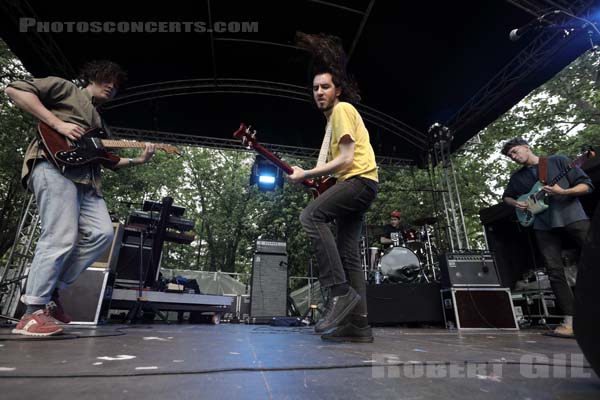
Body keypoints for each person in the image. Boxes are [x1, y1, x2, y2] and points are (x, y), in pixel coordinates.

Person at [5, 60, 156, 336]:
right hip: (53, 167)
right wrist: (58, 124)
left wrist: (139, 159)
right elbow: (15, 90)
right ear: (91, 77)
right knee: (60, 235)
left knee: (101, 234)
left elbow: (110, 160)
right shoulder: (65, 88)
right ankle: (31, 313)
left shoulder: (99, 123)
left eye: (117, 84)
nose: (112, 86)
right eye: (106, 79)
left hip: (87, 181)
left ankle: (52, 292)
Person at [289, 33, 378, 343]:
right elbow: (332, 171)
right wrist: (312, 181)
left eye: (325, 86)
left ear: (337, 90)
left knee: (310, 218)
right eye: (315, 88)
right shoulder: (332, 123)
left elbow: (346, 160)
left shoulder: (341, 111)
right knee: (349, 255)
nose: (319, 92)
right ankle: (359, 325)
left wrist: (306, 173)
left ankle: (339, 294)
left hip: (359, 181)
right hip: (360, 185)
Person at [501, 138, 593, 337]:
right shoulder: (517, 178)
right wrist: (517, 203)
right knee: (554, 271)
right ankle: (571, 321)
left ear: (527, 147)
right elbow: (506, 196)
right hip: (542, 224)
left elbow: (586, 186)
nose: (514, 157)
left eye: (515, 152)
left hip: (572, 217)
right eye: (510, 156)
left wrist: (564, 191)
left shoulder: (558, 161)